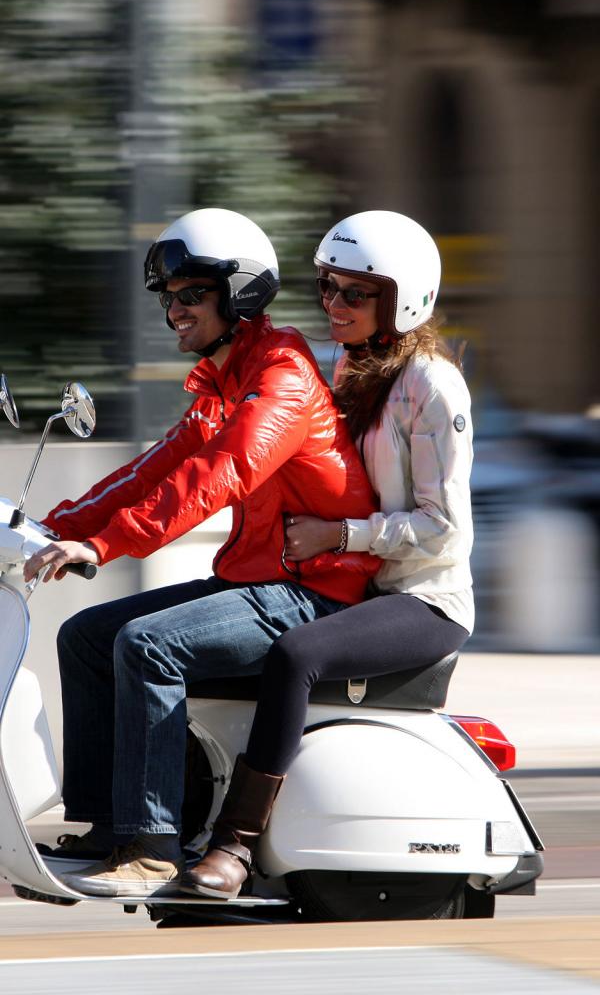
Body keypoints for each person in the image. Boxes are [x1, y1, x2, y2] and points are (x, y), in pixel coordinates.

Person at [23, 207, 379, 898]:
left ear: (239, 293)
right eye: (167, 297)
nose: (174, 311)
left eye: (191, 294)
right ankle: (106, 824)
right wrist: (50, 525)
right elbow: (153, 469)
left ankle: (153, 845)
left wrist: (103, 543)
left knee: (148, 646)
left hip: (314, 591)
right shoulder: (226, 380)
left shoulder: (282, 378)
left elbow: (221, 474)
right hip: (263, 579)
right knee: (88, 635)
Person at [180, 209, 474, 900]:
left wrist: (341, 536)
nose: (335, 304)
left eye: (355, 293)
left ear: (403, 300)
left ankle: (235, 844)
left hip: (423, 599)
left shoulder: (431, 385)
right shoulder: (354, 365)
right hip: (362, 584)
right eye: (327, 287)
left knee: (296, 655)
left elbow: (444, 529)